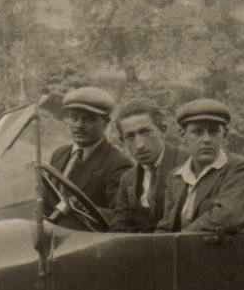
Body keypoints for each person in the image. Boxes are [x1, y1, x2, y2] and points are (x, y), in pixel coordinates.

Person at [156, 99, 244, 233]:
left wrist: (180, 239)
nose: (207, 140)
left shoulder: (237, 169)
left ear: (224, 134)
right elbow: (166, 225)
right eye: (197, 132)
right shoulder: (176, 177)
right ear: (182, 134)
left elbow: (228, 216)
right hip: (181, 251)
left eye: (214, 132)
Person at [41, 86, 133, 229]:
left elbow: (121, 217)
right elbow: (47, 203)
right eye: (74, 118)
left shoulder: (118, 164)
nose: (79, 125)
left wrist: (87, 209)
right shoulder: (59, 154)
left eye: (88, 120)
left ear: (106, 123)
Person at [108, 99, 183, 233]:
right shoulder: (128, 179)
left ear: (163, 130)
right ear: (122, 141)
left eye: (145, 132)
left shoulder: (187, 164)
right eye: (130, 137)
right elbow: (119, 227)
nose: (140, 145)